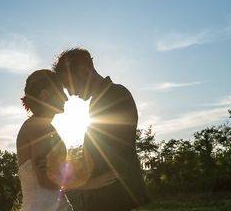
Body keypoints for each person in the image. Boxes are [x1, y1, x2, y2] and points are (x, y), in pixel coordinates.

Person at [53, 48, 150, 211]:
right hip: (108, 196)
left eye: (69, 85)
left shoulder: (115, 95)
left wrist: (80, 183)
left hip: (114, 196)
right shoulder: (102, 98)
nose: (71, 93)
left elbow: (109, 150)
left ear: (84, 71)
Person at [16, 69, 115, 211]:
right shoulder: (37, 128)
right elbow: (45, 180)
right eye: (61, 92)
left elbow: (57, 173)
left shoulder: (42, 126)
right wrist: (91, 183)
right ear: (45, 95)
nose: (66, 98)